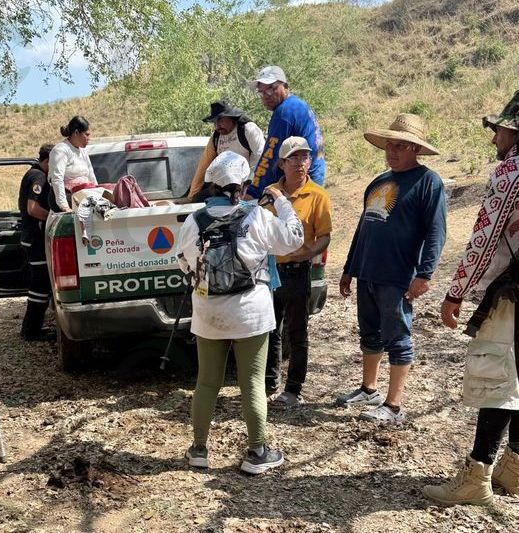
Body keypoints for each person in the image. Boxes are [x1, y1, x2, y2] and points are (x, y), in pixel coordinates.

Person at [423, 92, 519, 505]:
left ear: (514, 131)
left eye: (498, 129)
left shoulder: (511, 172)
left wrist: (456, 291)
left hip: (510, 294)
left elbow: (484, 239)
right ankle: (515, 470)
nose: (494, 137)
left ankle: (476, 477)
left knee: (498, 382)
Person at [176, 151, 304, 474]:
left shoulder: (195, 221)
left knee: (206, 382)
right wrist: (281, 201)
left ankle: (199, 450)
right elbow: (293, 239)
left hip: (209, 315)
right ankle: (257, 452)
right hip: (251, 314)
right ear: (242, 185)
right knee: (251, 382)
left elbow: (183, 262)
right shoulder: (256, 216)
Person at [335, 113, 446, 425]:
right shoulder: (379, 182)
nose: (392, 151)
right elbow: (364, 226)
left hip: (399, 275)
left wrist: (425, 274)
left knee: (397, 335)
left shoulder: (428, 182)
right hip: (367, 270)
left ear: (416, 149)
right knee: (369, 332)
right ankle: (368, 388)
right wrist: (349, 267)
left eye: (401, 146)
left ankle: (394, 405)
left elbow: (436, 231)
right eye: (389, 145)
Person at [265, 137, 332, 403]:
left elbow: (324, 236)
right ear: (282, 163)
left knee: (297, 331)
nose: (300, 163)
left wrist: (305, 253)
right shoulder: (270, 192)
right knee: (268, 329)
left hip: (297, 272)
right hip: (269, 273)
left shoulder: (317, 195)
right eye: (293, 158)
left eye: (304, 157)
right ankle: (269, 384)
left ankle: (293, 388)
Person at [246, 65, 326, 199]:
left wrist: (253, 192)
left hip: (301, 180)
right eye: (262, 92)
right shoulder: (297, 104)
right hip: (314, 173)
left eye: (272, 89)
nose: (267, 96)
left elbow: (269, 157)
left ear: (285, 86)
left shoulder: (284, 112)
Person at [188, 101, 265, 201]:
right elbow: (203, 166)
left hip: (250, 184)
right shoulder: (216, 137)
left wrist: (248, 187)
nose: (217, 125)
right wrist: (192, 194)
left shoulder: (248, 130)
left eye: (220, 120)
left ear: (232, 118)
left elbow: (262, 158)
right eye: (215, 122)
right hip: (224, 187)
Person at [19, 143, 55, 341]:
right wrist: (53, 217)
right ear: (47, 161)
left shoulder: (33, 174)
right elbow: (33, 208)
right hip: (35, 239)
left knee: (38, 285)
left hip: (31, 237)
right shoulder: (38, 177)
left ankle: (30, 329)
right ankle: (31, 331)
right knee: (39, 286)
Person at [48, 116, 97, 212]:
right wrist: (64, 206)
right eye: (86, 135)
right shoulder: (61, 150)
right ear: (76, 133)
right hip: (68, 197)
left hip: (84, 196)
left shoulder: (83, 151)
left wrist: (97, 193)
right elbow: (57, 179)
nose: (88, 138)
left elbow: (91, 175)